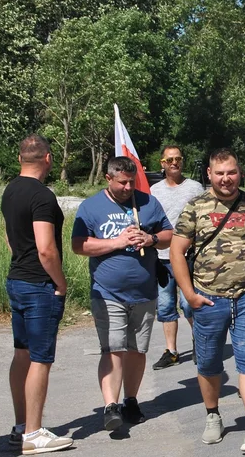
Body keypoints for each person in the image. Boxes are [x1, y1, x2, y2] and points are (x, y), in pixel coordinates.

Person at [169, 148, 245, 454]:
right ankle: (213, 415)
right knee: (208, 363)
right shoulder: (195, 207)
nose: (226, 179)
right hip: (207, 299)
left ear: (239, 172)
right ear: (209, 174)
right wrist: (189, 294)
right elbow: (176, 251)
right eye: (219, 173)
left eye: (231, 172)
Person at [72, 156, 173, 431]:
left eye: (132, 182)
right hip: (108, 292)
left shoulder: (148, 202)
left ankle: (130, 400)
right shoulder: (91, 207)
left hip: (145, 291)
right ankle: (110, 406)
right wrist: (118, 242)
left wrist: (150, 239)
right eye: (122, 183)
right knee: (113, 349)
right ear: (108, 178)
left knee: (137, 350)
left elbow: (169, 234)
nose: (128, 187)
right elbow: (79, 245)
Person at [1, 134, 74, 455]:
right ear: (48, 158)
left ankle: (21, 426)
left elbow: (9, 236)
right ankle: (33, 432)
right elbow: (46, 248)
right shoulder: (42, 197)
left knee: (22, 353)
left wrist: (22, 257)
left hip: (17, 278)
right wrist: (60, 282)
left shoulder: (11, 190)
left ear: (20, 159)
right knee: (41, 359)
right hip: (39, 285)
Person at [149, 145, 203, 370]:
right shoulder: (154, 191)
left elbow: (204, 218)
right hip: (161, 257)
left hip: (187, 256)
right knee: (165, 305)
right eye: (169, 159)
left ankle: (199, 343)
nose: (174, 163)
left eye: (178, 159)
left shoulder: (195, 188)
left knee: (188, 303)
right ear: (162, 163)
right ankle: (171, 351)